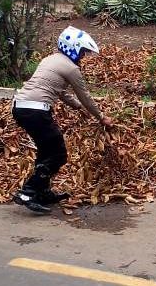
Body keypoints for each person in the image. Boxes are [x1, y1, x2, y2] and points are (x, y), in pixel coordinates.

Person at [12, 26, 113, 214]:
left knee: (46, 151)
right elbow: (85, 96)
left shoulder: (50, 59)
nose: (83, 56)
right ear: (72, 48)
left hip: (21, 107)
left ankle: (41, 192)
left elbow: (61, 92)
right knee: (58, 154)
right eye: (82, 52)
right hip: (36, 111)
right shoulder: (71, 68)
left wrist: (77, 108)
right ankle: (28, 191)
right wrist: (101, 117)